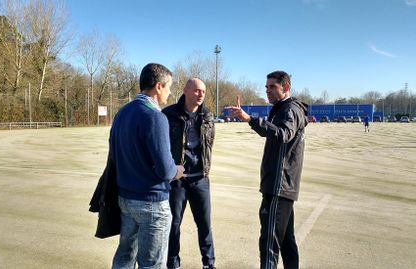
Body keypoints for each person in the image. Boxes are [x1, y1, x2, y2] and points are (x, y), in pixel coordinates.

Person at [229, 70, 308, 269]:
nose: (268, 91)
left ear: (286, 87)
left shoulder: (289, 109)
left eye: (273, 87)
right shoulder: (283, 108)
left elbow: (283, 133)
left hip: (279, 186)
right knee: (286, 242)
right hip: (281, 185)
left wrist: (250, 119)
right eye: (266, 87)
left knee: (269, 243)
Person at [109, 63, 185, 269]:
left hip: (125, 199)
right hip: (151, 202)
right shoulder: (155, 117)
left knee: (124, 259)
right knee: (151, 264)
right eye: (168, 87)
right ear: (158, 87)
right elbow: (165, 169)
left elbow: (114, 156)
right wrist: (177, 171)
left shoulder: (122, 113)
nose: (170, 92)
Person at [162, 78, 216, 269]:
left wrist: (205, 168)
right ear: (185, 90)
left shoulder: (208, 115)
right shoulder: (168, 114)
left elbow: (208, 145)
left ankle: (209, 263)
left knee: (205, 225)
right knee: (173, 225)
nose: (201, 94)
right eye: (196, 91)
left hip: (200, 179)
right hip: (177, 180)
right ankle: (173, 263)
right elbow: (162, 146)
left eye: (203, 91)